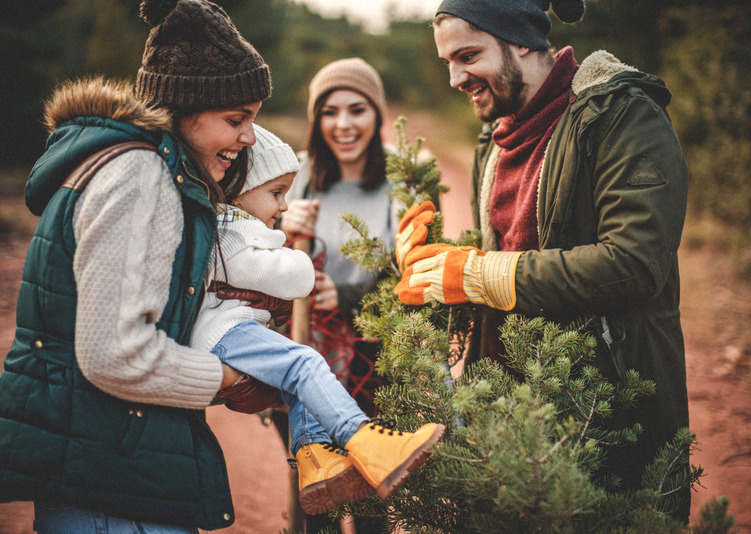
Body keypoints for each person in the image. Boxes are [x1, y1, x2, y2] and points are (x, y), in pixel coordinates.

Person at [395, 0, 691, 522]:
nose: (455, 78)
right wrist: (433, 259)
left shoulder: (622, 115)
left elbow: (636, 264)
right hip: (508, 418)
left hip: (603, 414)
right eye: (447, 62)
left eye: (468, 55)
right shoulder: (497, 136)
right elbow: (513, 248)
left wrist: (479, 274)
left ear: (523, 40)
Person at [0, 0, 281, 531]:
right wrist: (230, 379)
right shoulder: (138, 175)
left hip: (106, 466)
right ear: (183, 108)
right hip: (109, 483)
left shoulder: (143, 168)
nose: (248, 138)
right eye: (236, 119)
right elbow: (114, 354)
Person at [190, 124, 445, 516]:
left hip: (230, 331)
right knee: (306, 363)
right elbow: (295, 277)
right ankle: (366, 442)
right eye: (275, 194)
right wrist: (292, 246)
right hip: (225, 334)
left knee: (298, 384)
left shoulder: (235, 226)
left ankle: (315, 460)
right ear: (240, 192)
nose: (284, 207)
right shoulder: (232, 230)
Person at [282, 57, 398, 417]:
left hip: (374, 357)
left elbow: (416, 277)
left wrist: (345, 296)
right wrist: (280, 225)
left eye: (357, 110)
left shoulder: (404, 178)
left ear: (377, 114)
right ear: (317, 120)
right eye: (330, 112)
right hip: (302, 347)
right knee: (307, 463)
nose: (343, 125)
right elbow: (246, 255)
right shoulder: (293, 175)